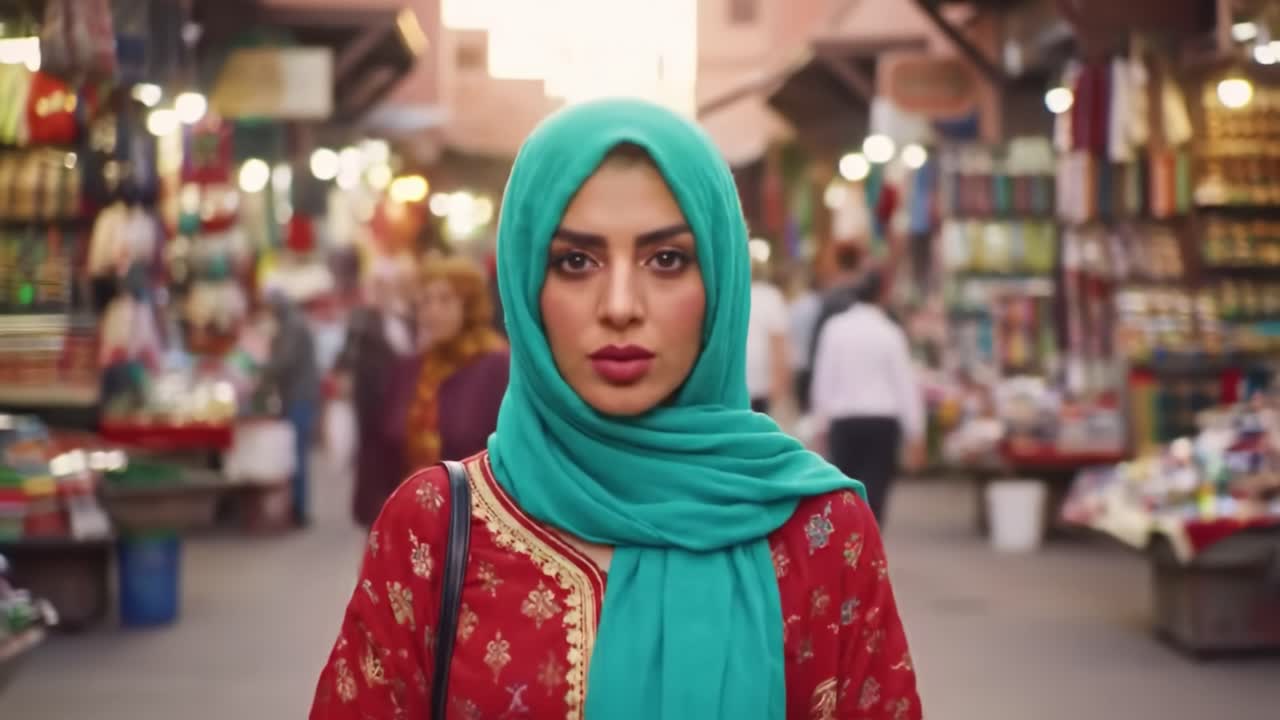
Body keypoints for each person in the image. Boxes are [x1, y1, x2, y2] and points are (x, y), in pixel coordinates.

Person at [310, 100, 920, 719]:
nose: (621, 305)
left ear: (720, 280)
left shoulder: (821, 534)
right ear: (526, 285)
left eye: (667, 260)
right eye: (576, 262)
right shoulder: (434, 529)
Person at [810, 271, 925, 524]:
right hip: (882, 422)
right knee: (876, 490)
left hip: (844, 421)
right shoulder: (890, 331)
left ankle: (848, 542)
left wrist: (820, 424)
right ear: (882, 295)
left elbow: (823, 378)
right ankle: (871, 540)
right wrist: (915, 432)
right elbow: (904, 384)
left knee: (843, 491)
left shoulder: (835, 329)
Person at [395, 255, 508, 472]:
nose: (433, 310)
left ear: (469, 306)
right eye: (425, 301)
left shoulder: (497, 366)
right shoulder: (409, 369)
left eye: (445, 300)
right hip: (412, 491)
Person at [335, 256, 419, 528]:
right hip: (372, 402)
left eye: (388, 285)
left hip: (403, 401)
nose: (384, 291)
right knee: (372, 464)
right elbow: (345, 356)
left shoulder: (407, 318)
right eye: (379, 286)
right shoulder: (363, 320)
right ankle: (375, 518)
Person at [261, 292, 321, 527]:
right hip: (299, 396)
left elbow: (284, 361)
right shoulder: (292, 323)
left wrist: (260, 369)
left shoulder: (292, 326)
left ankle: (299, 509)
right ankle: (297, 507)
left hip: (299, 397)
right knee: (296, 454)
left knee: (297, 455)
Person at [745, 263, 790, 415]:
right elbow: (779, 342)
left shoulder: (769, 296)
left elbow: (778, 341)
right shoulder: (771, 296)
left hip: (750, 384)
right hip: (758, 383)